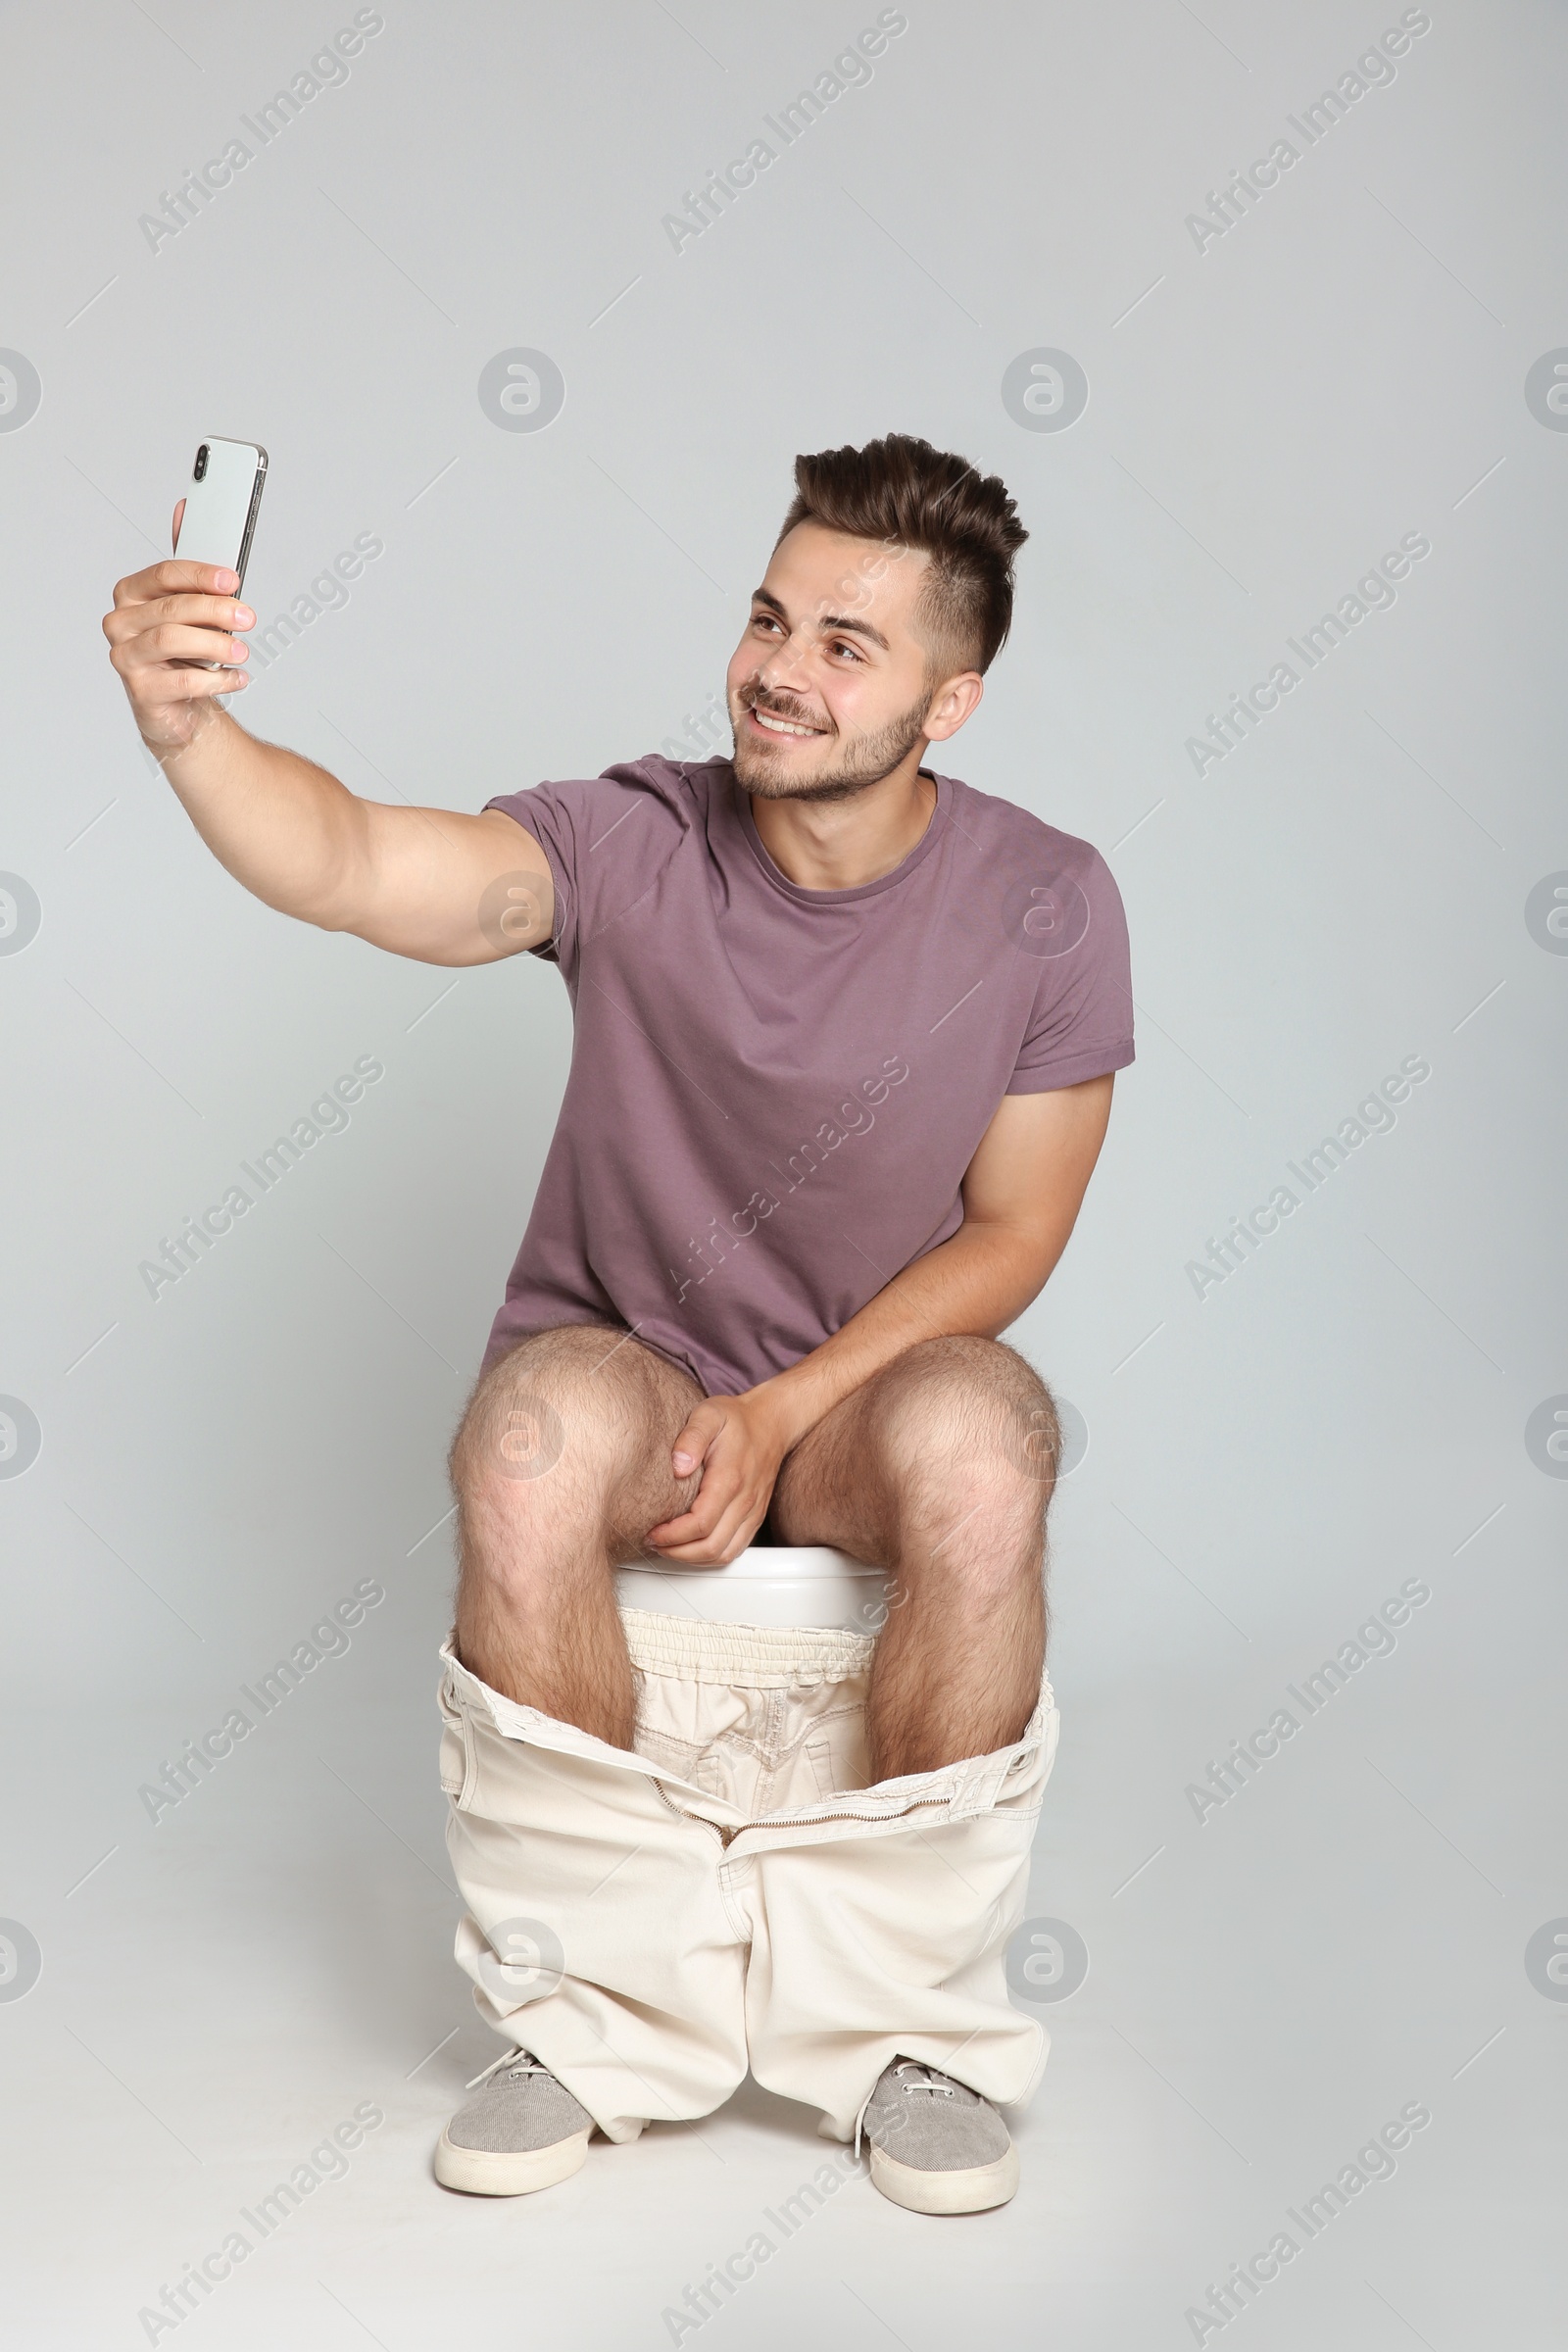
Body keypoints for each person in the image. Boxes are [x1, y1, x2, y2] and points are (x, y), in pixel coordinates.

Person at [104, 432, 1133, 2215]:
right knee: (525, 1437)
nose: (778, 671)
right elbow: (352, 859)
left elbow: (1018, 1228)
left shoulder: (1048, 901)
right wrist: (193, 735)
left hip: (865, 1400)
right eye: (768, 616)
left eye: (845, 646)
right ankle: (586, 2023)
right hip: (637, 1372)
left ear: (949, 702)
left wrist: (794, 1406)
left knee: (991, 1447)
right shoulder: (631, 838)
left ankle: (913, 2035)